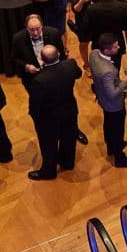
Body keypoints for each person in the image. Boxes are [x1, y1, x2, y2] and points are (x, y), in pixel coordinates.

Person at [27, 45, 82, 181]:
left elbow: (35, 106)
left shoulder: (39, 80)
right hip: (69, 111)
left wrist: (35, 118)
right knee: (69, 139)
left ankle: (49, 171)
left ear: (42, 60)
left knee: (48, 145)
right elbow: (79, 74)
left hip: (49, 119)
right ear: (58, 54)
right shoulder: (70, 64)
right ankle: (67, 162)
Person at [89, 33, 127, 168]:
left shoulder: (93, 54)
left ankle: (111, 147)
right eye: (115, 47)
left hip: (103, 100)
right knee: (117, 130)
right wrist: (126, 80)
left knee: (108, 124)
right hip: (114, 105)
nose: (119, 48)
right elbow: (113, 93)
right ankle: (119, 157)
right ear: (106, 50)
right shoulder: (107, 71)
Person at [11, 14, 66, 90]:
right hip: (32, 80)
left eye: (38, 28)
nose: (35, 33)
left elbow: (62, 55)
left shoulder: (54, 33)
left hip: (53, 75)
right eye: (31, 29)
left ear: (42, 25)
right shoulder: (18, 38)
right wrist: (26, 66)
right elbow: (14, 58)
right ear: (26, 27)